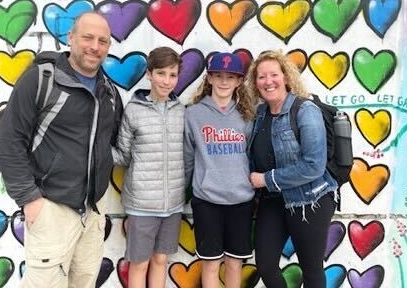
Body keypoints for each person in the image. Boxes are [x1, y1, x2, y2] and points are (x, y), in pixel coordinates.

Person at [0, 11, 123, 288]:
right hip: (51, 206)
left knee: (84, 282)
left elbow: (107, 144)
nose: (95, 46)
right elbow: (9, 139)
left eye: (103, 41)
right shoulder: (39, 80)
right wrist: (29, 198)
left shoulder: (110, 92)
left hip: (92, 211)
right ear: (71, 38)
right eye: (87, 37)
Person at [247, 50, 337, 288]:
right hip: (273, 200)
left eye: (274, 75)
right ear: (255, 83)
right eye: (261, 77)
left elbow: (313, 165)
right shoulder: (260, 113)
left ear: (286, 77)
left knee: (311, 269)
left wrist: (266, 179)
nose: (268, 81)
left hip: (310, 199)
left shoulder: (305, 110)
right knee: (265, 265)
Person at [112, 47, 185, 288]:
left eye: (172, 75)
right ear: (149, 75)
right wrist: (92, 149)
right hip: (142, 204)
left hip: (173, 203)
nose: (166, 81)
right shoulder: (133, 110)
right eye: (161, 73)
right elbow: (123, 155)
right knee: (140, 262)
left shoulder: (181, 111)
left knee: (161, 260)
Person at [184, 52, 255, 288]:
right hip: (207, 199)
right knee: (211, 264)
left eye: (230, 77)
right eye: (218, 75)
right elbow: (187, 157)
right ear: (209, 79)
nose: (224, 82)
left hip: (241, 199)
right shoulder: (193, 114)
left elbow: (253, 156)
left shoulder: (247, 115)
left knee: (235, 263)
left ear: (238, 81)